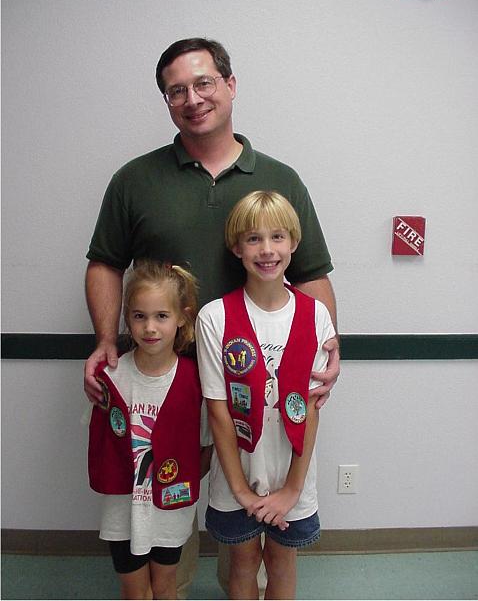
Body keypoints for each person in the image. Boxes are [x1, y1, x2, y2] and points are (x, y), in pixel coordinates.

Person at [84, 37, 340, 597]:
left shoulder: (280, 178)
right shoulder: (136, 179)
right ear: (167, 102)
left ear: (229, 85)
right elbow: (104, 262)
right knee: (170, 530)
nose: (192, 98)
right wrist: (107, 339)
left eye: (203, 83)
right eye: (176, 90)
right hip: (163, 385)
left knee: (242, 548)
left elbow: (314, 274)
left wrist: (330, 348)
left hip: (253, 389)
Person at [196, 191, 335, 600]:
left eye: (277, 237)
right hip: (235, 474)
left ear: (293, 243)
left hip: (292, 472)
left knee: (281, 561)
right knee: (242, 562)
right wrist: (239, 490)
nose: (267, 250)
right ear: (236, 247)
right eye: (254, 239)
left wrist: (291, 490)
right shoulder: (215, 317)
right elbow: (219, 412)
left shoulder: (316, 315)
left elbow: (310, 408)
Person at [88, 260, 211, 600]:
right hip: (123, 507)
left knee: (165, 587)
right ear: (127, 318)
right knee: (134, 590)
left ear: (182, 317)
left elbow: (205, 447)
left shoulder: (193, 378)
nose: (150, 328)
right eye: (139, 316)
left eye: (161, 316)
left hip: (170, 507)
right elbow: (100, 441)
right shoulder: (112, 376)